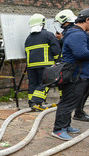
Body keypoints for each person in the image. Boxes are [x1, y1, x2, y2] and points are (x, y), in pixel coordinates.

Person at [52, 8, 89, 140]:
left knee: (70, 101)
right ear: (87, 20)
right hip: (75, 75)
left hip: (79, 74)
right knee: (67, 102)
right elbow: (81, 53)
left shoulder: (79, 33)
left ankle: (66, 126)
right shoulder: (76, 34)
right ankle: (58, 129)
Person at [24, 14, 61, 111]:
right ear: (43, 23)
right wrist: (59, 61)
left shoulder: (28, 38)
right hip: (45, 65)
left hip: (31, 66)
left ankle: (32, 103)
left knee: (33, 83)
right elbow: (56, 49)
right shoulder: (48, 35)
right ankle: (37, 101)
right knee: (44, 83)